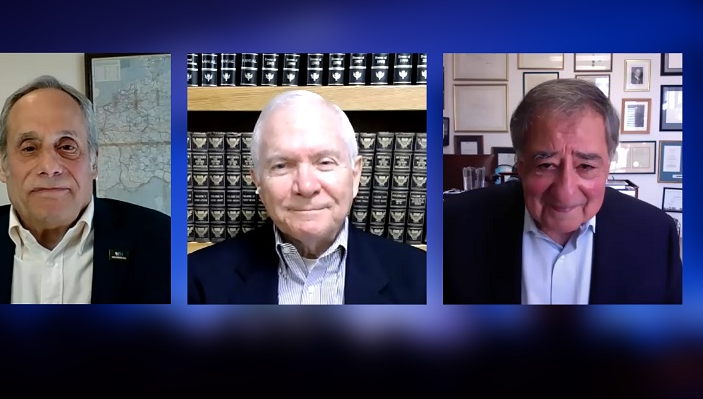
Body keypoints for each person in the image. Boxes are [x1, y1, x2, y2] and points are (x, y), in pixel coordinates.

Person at [0, 75, 171, 304]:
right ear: (2, 164)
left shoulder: (165, 244)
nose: (49, 167)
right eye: (29, 148)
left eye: (67, 147)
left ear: (94, 162)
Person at [443, 78, 681, 304]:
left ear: (607, 168)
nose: (565, 192)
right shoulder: (454, 224)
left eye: (586, 166)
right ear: (521, 167)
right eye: (546, 165)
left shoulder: (656, 235)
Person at [188, 90, 426, 304]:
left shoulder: (424, 277)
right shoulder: (196, 281)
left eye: (325, 162)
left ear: (355, 176)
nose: (306, 186)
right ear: (257, 181)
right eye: (281, 165)